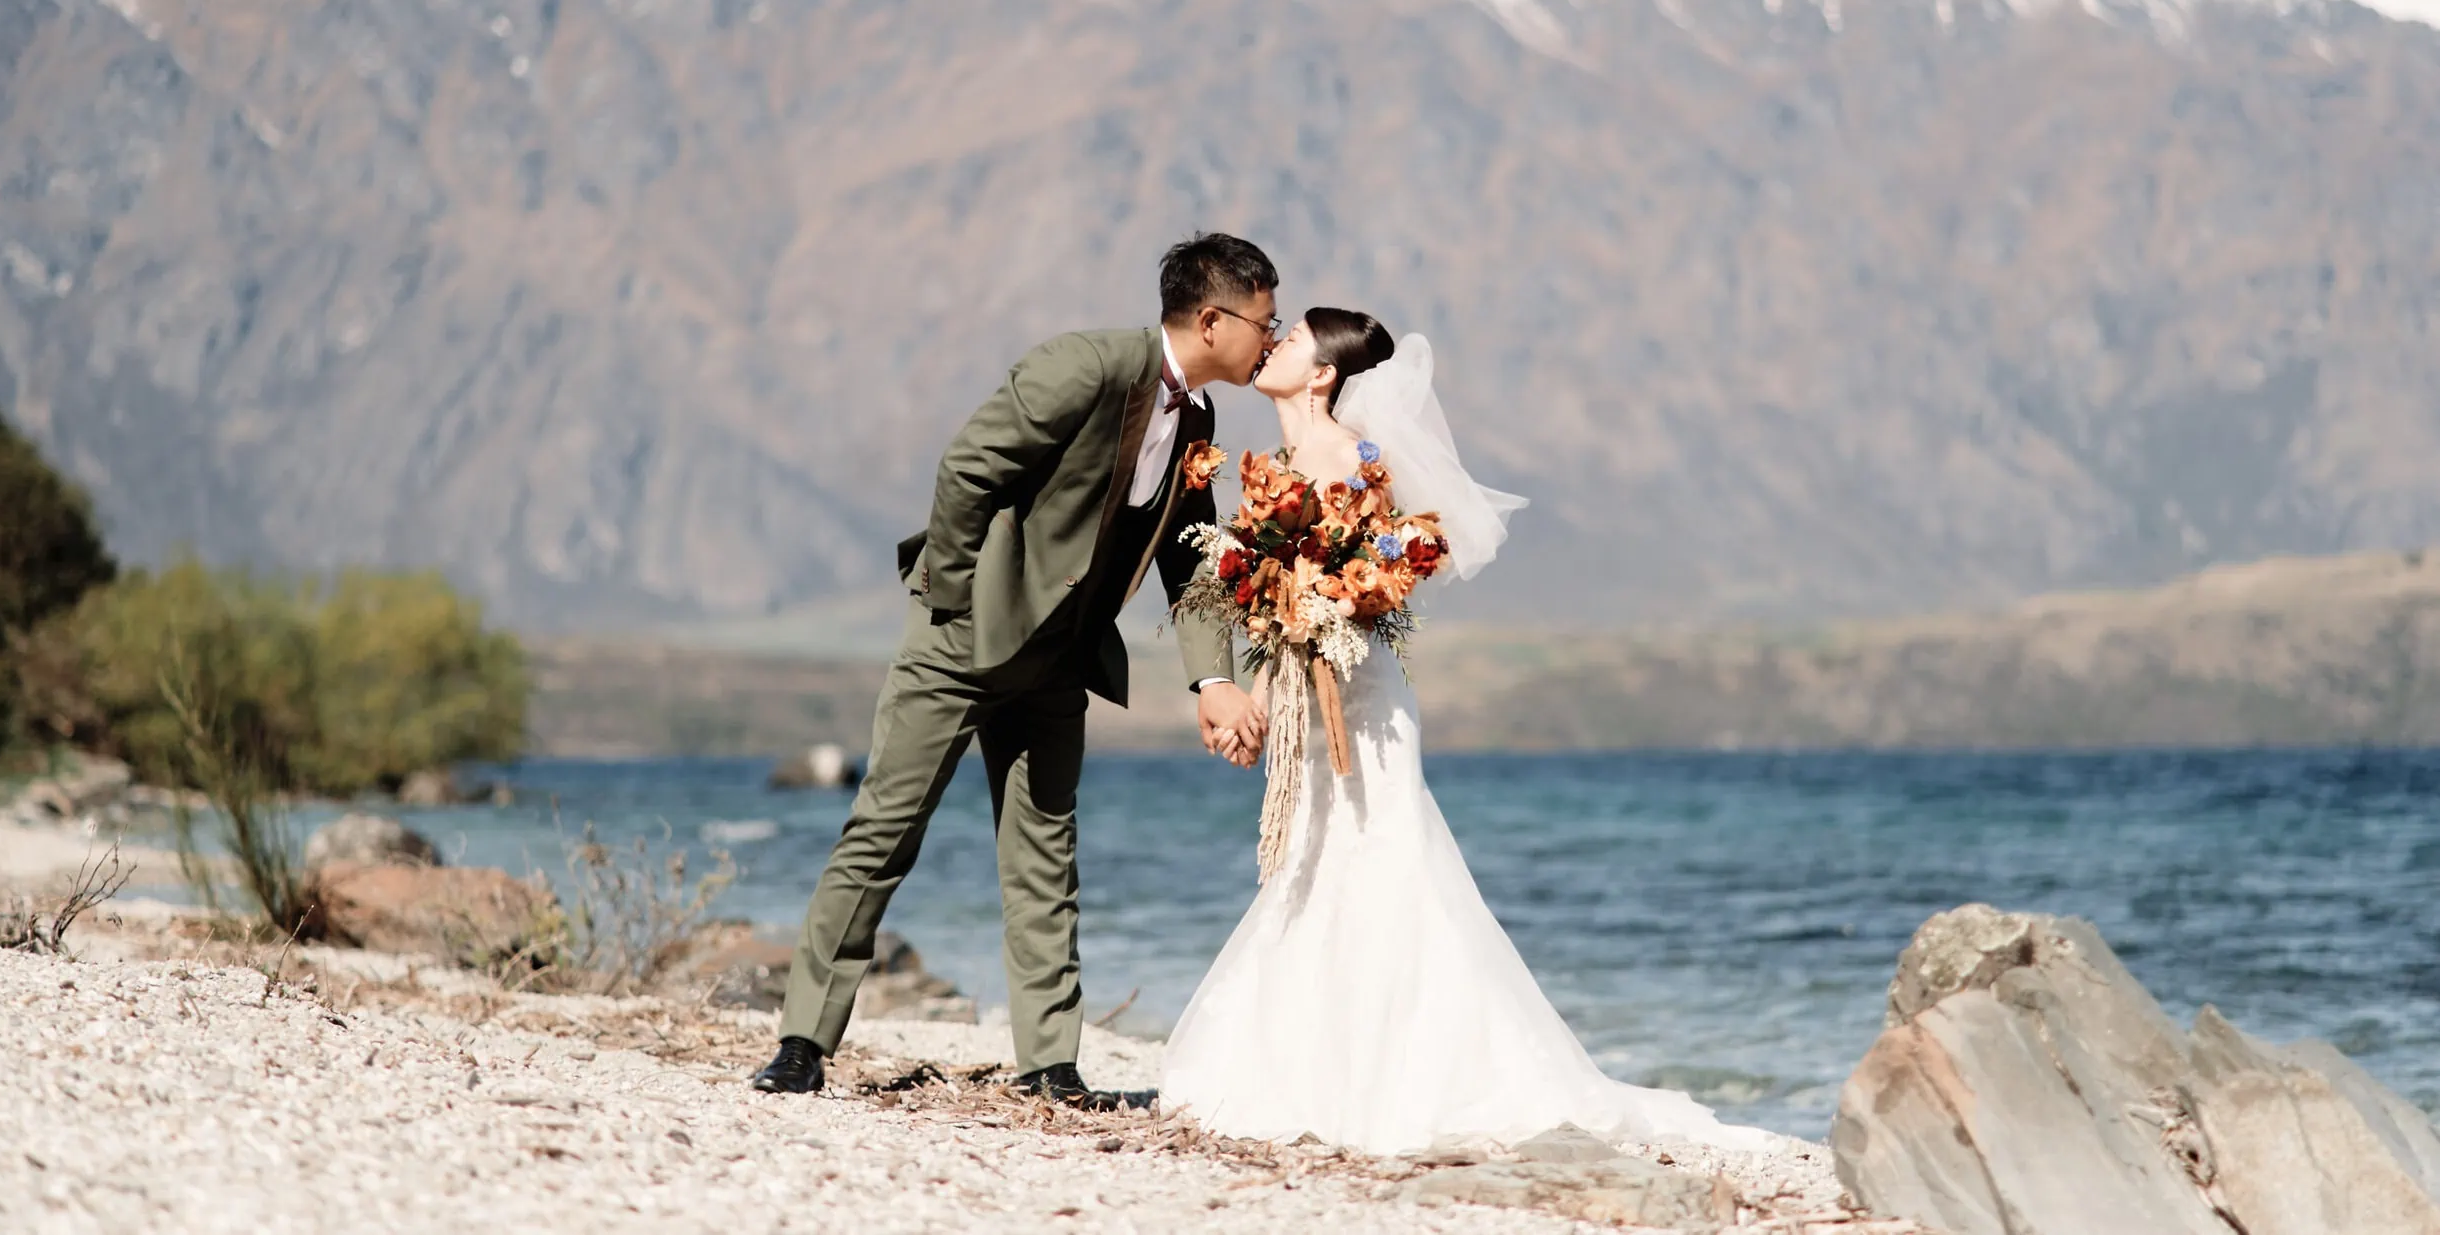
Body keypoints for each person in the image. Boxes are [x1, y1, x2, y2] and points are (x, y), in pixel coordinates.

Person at [1158, 311, 1781, 1155]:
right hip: (1305, 695)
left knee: (1381, 864)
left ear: (1323, 376)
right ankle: (1308, 1067)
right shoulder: (1269, 468)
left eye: (1295, 337)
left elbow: (1381, 574)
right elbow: (1270, 604)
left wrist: (1333, 601)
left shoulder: (1352, 460)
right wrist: (1259, 692)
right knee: (1307, 867)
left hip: (1364, 701)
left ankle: (1407, 1077)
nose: (1274, 343)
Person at [751, 234, 1276, 1104]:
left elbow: (1191, 554)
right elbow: (969, 466)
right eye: (1267, 320)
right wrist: (955, 603)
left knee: (1044, 855)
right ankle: (803, 1042)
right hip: (962, 642)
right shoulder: (1088, 365)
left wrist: (1211, 679)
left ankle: (1049, 1064)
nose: (1273, 336)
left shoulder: (1199, 422)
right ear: (1213, 319)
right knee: (884, 832)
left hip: (1059, 661)